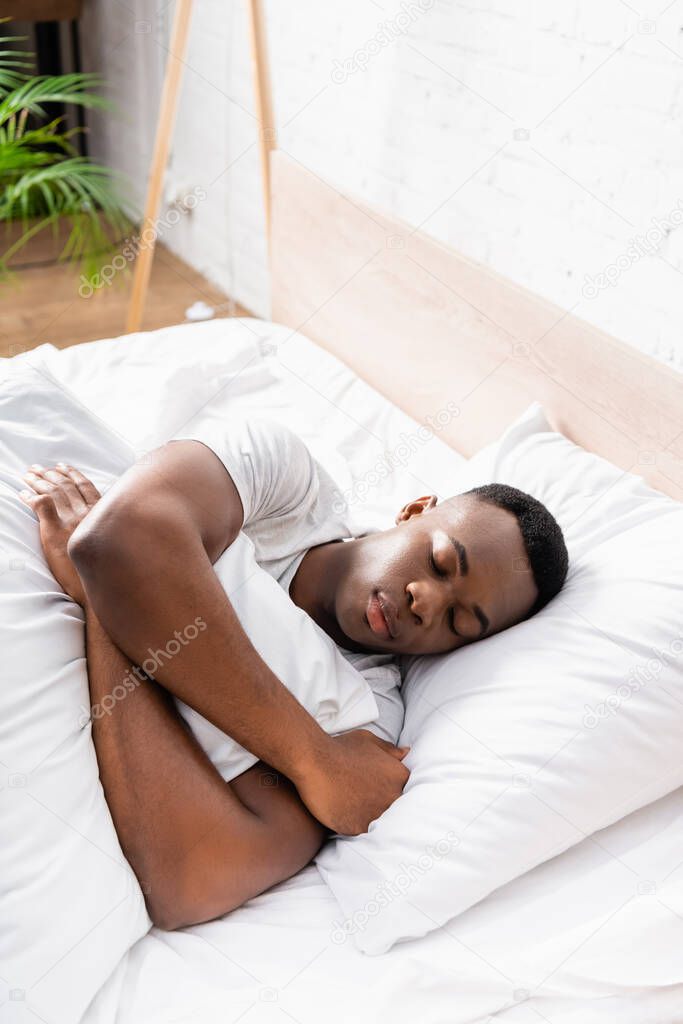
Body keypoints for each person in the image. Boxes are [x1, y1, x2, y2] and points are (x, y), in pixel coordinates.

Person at [20, 417, 568, 931]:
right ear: (415, 509)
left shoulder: (368, 719)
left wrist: (100, 603)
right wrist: (312, 757)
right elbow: (113, 539)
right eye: (441, 563)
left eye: (458, 621)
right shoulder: (285, 485)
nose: (425, 602)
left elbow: (194, 880)